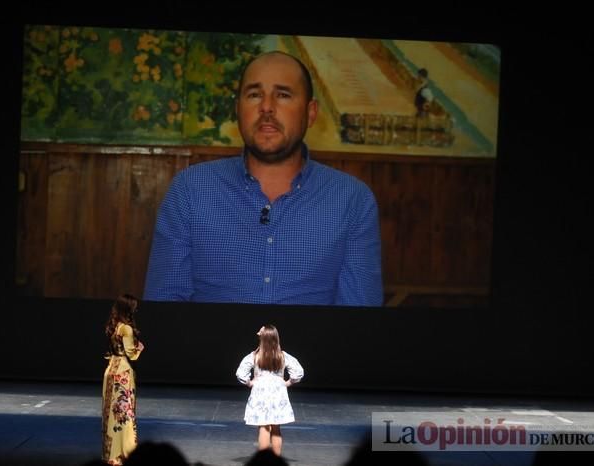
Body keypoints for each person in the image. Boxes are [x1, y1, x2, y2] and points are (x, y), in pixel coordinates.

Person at [144, 51, 383, 306]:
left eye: (283, 95)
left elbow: (358, 320)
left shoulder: (352, 200)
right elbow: (163, 310)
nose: (267, 107)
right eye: (254, 94)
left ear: (310, 113)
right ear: (238, 109)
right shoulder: (191, 191)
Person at [236, 324, 304, 456]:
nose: (258, 333)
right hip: (278, 392)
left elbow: (240, 373)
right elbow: (298, 372)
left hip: (260, 391)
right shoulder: (282, 355)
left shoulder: (255, 355)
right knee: (276, 426)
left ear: (263, 338)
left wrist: (250, 383)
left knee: (264, 426)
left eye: (260, 333)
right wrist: (288, 383)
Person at [102, 293, 145, 466]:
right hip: (123, 374)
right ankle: (127, 452)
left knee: (112, 415)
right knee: (125, 414)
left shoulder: (114, 326)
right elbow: (132, 354)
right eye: (134, 306)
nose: (136, 309)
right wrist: (140, 347)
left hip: (111, 370)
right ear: (128, 308)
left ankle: (112, 454)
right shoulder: (126, 328)